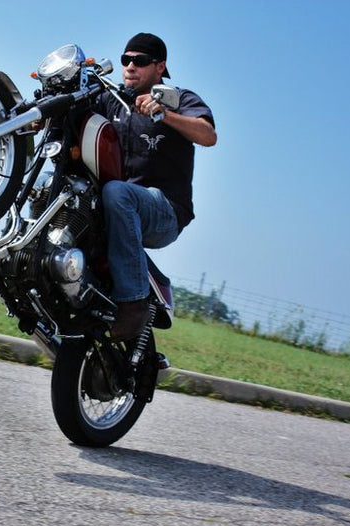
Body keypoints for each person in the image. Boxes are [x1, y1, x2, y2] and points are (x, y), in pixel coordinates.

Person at [93, 32, 217, 340]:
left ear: (160, 67)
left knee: (116, 192)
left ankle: (134, 301)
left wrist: (164, 114)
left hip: (165, 212)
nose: (130, 66)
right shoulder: (113, 100)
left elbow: (207, 135)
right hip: (120, 207)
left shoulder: (180, 98)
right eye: (126, 60)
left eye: (140, 61)